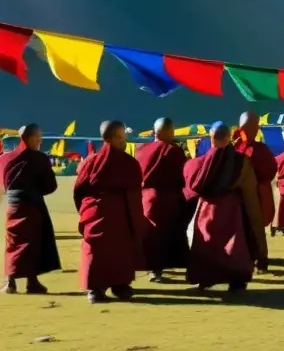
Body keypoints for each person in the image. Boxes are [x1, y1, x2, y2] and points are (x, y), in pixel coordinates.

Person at [183, 122, 268, 291]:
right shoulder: (241, 162)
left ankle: (205, 277)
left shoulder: (198, 164)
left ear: (211, 137)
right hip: (232, 210)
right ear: (229, 138)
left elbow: (191, 185)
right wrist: (254, 220)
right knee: (234, 245)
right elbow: (249, 190)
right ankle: (237, 280)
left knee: (206, 242)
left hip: (207, 209)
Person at [73, 120, 145, 304]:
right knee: (110, 249)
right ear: (111, 138)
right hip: (113, 210)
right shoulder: (128, 163)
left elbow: (79, 190)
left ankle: (118, 285)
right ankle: (97, 289)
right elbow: (135, 189)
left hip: (99, 211)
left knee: (112, 249)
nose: (124, 141)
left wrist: (84, 210)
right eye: (121, 137)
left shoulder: (90, 162)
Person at [1, 124, 59, 295]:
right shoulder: (40, 158)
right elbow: (50, 185)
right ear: (30, 138)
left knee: (13, 243)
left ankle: (11, 283)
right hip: (33, 204)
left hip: (13, 206)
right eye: (38, 139)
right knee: (33, 243)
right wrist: (36, 190)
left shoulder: (6, 158)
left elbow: (3, 183)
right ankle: (32, 282)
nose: (39, 142)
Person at [134, 117, 188, 283]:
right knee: (168, 235)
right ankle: (163, 267)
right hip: (167, 198)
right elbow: (183, 176)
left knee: (151, 236)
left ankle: (153, 270)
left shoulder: (141, 150)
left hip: (145, 199)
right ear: (165, 132)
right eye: (172, 130)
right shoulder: (173, 151)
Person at [234, 112, 277, 245]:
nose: (254, 129)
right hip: (237, 195)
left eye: (255, 126)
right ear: (242, 128)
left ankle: (257, 254)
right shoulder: (234, 147)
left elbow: (270, 170)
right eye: (249, 126)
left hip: (256, 195)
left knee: (254, 226)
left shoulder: (261, 149)